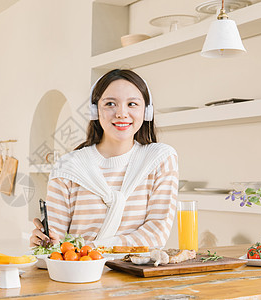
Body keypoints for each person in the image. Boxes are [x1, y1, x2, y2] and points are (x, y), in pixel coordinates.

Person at [30, 69, 178, 248]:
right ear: (94, 111)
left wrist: (92, 249)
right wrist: (43, 244)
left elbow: (156, 234)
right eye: (110, 104)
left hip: (136, 274)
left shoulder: (160, 159)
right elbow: (55, 247)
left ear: (146, 112)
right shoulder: (67, 167)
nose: (121, 113)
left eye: (132, 104)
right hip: (80, 274)